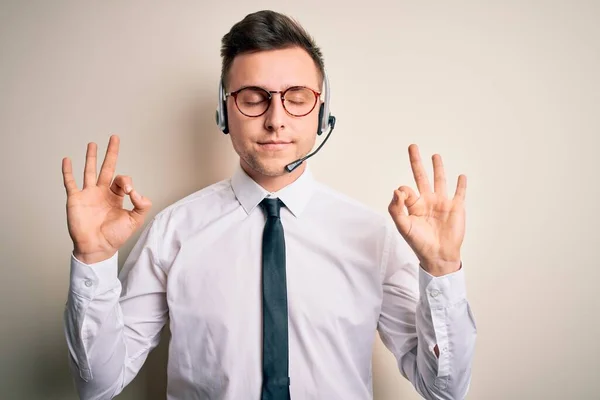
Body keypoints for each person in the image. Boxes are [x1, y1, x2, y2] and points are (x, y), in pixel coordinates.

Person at [62, 10, 476, 400]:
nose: (276, 119)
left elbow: (444, 390)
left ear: (321, 111)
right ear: (225, 111)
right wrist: (94, 261)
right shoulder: (174, 231)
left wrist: (441, 271)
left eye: (296, 97)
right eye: (254, 97)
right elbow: (99, 384)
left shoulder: (374, 238)